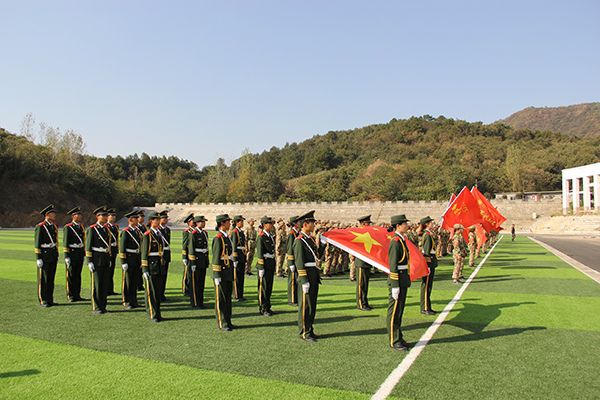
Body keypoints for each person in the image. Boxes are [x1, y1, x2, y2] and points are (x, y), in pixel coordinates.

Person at [294, 210, 323, 342]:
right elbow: (299, 262)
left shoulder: (309, 239)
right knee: (305, 306)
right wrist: (304, 280)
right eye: (312, 223)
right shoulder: (299, 241)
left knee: (312, 305)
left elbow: (317, 256)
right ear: (305, 224)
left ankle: (310, 329)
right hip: (306, 276)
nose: (314, 225)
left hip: (313, 275)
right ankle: (305, 332)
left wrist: (323, 244)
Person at [387, 214, 412, 351]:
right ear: (398, 226)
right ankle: (394, 340)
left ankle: (399, 337)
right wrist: (395, 285)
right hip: (397, 280)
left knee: (400, 311)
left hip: (403, 278)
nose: (407, 225)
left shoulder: (401, 240)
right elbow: (393, 265)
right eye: (404, 223)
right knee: (394, 312)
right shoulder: (395, 242)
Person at [85, 207, 111, 314]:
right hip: (96, 259)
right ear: (97, 216)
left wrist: (109, 257)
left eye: (106, 215)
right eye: (103, 215)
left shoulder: (106, 229)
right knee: (97, 284)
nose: (105, 217)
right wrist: (89, 261)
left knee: (104, 284)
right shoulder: (92, 229)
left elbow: (108, 245)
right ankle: (96, 307)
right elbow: (88, 246)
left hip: (105, 258)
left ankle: (103, 306)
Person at [212, 214, 235, 331]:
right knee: (221, 299)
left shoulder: (226, 237)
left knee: (227, 298)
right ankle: (222, 322)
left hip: (228, 271)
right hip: (221, 272)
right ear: (222, 223)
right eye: (227, 222)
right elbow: (216, 257)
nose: (229, 223)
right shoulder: (218, 238)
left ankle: (228, 321)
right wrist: (216, 275)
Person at [140, 211, 164, 322]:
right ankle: (152, 314)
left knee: (157, 291)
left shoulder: (159, 233)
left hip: (158, 265)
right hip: (151, 265)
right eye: (156, 220)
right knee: (151, 291)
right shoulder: (147, 235)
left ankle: (157, 313)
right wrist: (145, 269)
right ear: (151, 221)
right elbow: (144, 253)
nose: (158, 221)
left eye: (159, 219)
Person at [34, 204, 59, 307]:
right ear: (47, 215)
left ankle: (50, 299)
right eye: (52, 213)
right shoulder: (40, 226)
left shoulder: (53, 226)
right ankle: (43, 299)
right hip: (44, 255)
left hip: (52, 255)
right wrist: (38, 258)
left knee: (51, 278)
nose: (54, 215)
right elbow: (37, 243)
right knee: (44, 279)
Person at [63, 207, 85, 302]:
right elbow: (66, 242)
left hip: (79, 253)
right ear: (73, 216)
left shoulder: (81, 226)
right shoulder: (68, 227)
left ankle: (77, 294)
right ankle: (71, 295)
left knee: (78, 275)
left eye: (80, 214)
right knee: (71, 275)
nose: (80, 216)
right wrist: (66, 256)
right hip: (72, 253)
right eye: (78, 214)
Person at [256, 216, 276, 316]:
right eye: (269, 223)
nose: (271, 225)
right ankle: (263, 308)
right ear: (264, 225)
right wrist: (261, 267)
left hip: (270, 263)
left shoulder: (270, 236)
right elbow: (260, 252)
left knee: (269, 287)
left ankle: (268, 306)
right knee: (263, 288)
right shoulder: (261, 236)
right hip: (264, 263)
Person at [188, 215, 209, 308]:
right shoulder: (193, 233)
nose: (204, 223)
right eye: (202, 222)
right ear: (197, 223)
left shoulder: (204, 233)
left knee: (201, 283)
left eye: (204, 222)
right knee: (195, 283)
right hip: (196, 261)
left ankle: (200, 302)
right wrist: (192, 262)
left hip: (203, 260)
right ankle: (195, 302)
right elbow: (191, 248)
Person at [419, 216, 438, 315]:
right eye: (431, 223)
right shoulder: (427, 235)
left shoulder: (429, 234)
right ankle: (425, 307)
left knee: (428, 286)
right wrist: (428, 266)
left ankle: (428, 306)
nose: (432, 224)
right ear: (427, 224)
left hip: (431, 261)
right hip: (428, 263)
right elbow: (426, 252)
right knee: (426, 286)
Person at [356, 215, 374, 311]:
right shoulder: (358, 233)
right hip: (361, 262)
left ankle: (365, 302)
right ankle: (360, 304)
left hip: (367, 261)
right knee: (361, 285)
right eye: (368, 223)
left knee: (366, 284)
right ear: (363, 224)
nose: (369, 225)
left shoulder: (367, 233)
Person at [231, 215, 247, 301]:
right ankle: (236, 295)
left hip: (242, 256)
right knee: (236, 277)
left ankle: (240, 294)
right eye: (241, 221)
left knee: (241, 277)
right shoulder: (235, 232)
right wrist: (234, 259)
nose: (242, 223)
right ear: (237, 222)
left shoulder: (241, 232)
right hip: (237, 256)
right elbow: (233, 246)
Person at [286, 215, 300, 306]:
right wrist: (291, 262)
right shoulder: (292, 234)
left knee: (297, 280)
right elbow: (290, 249)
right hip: (293, 260)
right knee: (292, 280)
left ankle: (296, 298)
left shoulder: (297, 233)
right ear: (295, 223)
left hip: (297, 260)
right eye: (298, 222)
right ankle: (292, 299)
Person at [158, 211, 171, 301]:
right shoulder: (157, 229)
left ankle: (162, 293)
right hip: (160, 254)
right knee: (159, 276)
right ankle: (158, 293)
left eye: (166, 218)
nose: (166, 220)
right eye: (164, 218)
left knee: (164, 275)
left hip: (166, 254)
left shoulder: (167, 229)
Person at [106, 208, 119, 295]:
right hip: (108, 251)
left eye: (114, 215)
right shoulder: (105, 226)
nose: (113, 217)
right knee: (107, 271)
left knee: (111, 271)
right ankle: (106, 289)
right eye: (112, 215)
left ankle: (110, 289)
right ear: (108, 216)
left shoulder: (116, 226)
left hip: (114, 250)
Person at [181, 213, 195, 295]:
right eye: (192, 221)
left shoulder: (195, 231)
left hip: (194, 255)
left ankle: (191, 288)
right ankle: (185, 289)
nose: (194, 222)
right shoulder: (187, 232)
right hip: (188, 255)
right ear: (189, 222)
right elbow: (184, 244)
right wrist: (184, 257)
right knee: (187, 273)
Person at [136, 210, 147, 291]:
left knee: (141, 268)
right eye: (141, 217)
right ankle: (137, 284)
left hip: (142, 250)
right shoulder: (136, 227)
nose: (142, 218)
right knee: (136, 269)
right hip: (137, 250)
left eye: (143, 217)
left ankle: (140, 284)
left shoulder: (144, 227)